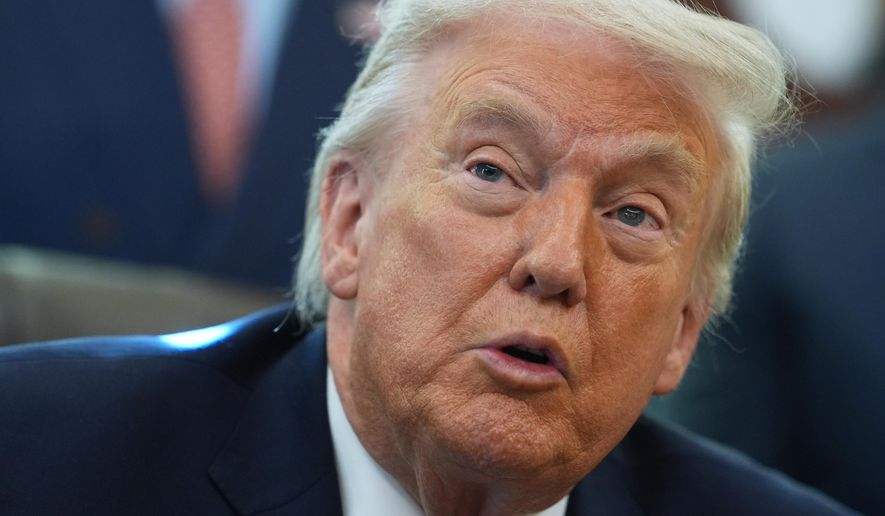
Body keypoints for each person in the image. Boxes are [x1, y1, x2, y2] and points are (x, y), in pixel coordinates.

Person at [0, 0, 857, 514]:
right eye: (491, 171)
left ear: (681, 330)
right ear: (348, 221)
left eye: (633, 215)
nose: (556, 262)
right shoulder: (41, 457)